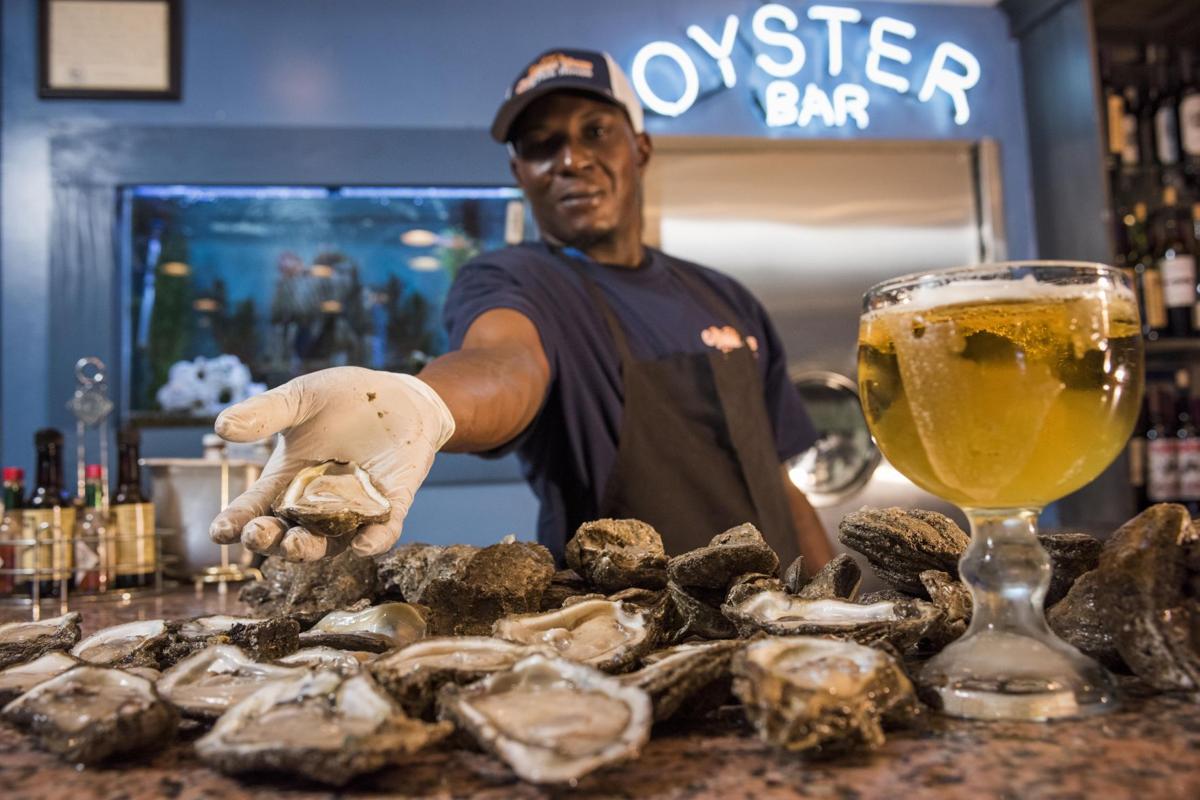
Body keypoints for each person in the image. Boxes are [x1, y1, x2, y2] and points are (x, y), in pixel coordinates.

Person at [210, 48, 833, 572]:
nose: (570, 159)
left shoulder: (725, 297)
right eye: (542, 145)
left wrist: (835, 605)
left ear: (639, 148)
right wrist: (424, 403)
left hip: (772, 617)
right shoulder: (517, 278)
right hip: (627, 628)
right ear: (520, 172)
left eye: (596, 131)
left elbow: (779, 482)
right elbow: (503, 363)